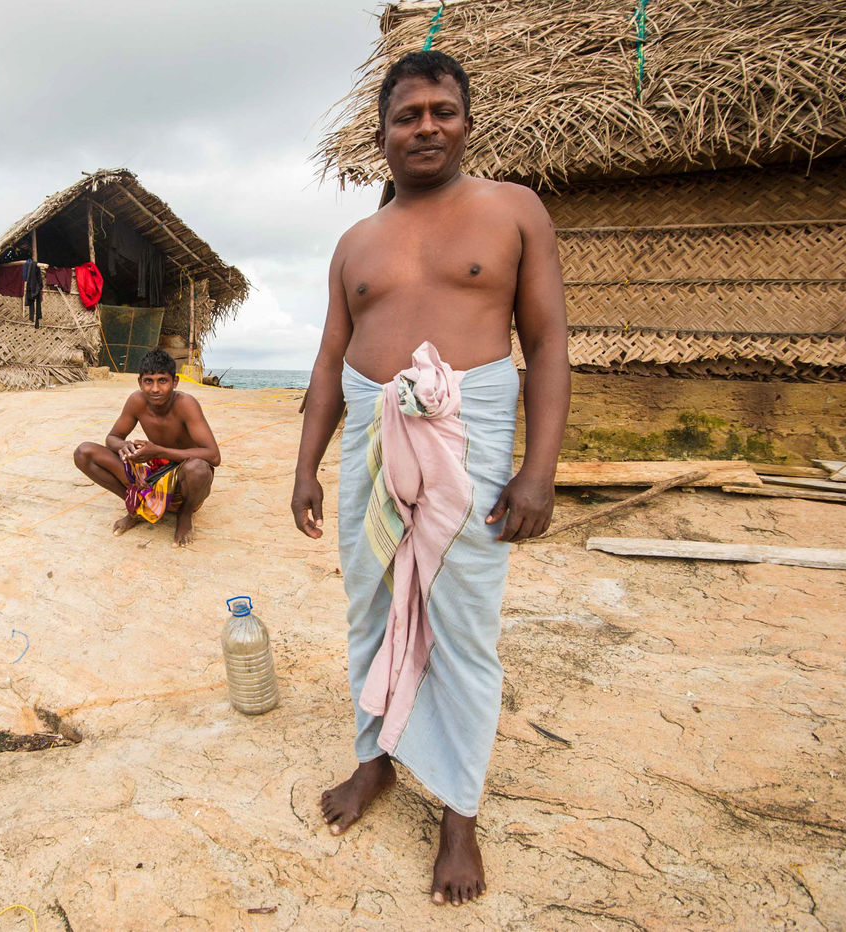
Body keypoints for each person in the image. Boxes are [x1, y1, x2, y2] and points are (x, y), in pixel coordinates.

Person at [290, 50, 570, 907]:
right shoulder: (356, 244)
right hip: (372, 439)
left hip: (471, 438)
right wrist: (304, 464)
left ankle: (459, 809)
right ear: (380, 136)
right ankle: (375, 757)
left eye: (441, 111)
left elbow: (549, 342)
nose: (425, 127)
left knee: (461, 619)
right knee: (371, 602)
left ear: (466, 122)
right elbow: (333, 359)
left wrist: (538, 471)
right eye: (407, 115)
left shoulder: (512, 211)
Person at [73, 349, 220, 547]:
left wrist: (158, 451)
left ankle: (184, 516)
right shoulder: (137, 401)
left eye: (163, 380)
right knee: (84, 452)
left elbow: (213, 456)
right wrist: (124, 446)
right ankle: (137, 509)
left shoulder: (186, 404)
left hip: (182, 478)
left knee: (199, 469)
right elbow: (113, 438)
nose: (155, 389)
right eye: (148, 381)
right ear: (140, 382)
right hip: (152, 473)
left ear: (175, 382)